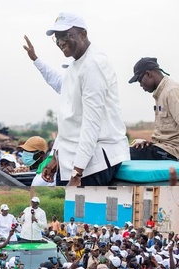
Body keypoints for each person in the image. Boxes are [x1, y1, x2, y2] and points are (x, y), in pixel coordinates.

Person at [24, 13, 129, 186]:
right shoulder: (76, 65)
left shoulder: (93, 64)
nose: (60, 41)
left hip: (93, 164)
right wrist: (55, 156)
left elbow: (92, 122)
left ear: (83, 34)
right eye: (57, 38)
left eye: (65, 35)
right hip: (75, 160)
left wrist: (77, 171)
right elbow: (61, 89)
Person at [129, 57, 179, 161]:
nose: (140, 85)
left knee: (122, 155)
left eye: (140, 80)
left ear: (148, 74)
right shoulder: (160, 93)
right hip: (163, 148)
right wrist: (151, 143)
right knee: (124, 151)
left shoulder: (171, 91)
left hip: (172, 152)